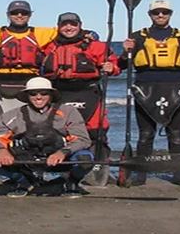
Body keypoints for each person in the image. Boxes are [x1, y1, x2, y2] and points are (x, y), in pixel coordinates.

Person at [119, 0, 180, 186]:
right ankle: (142, 174)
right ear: (150, 15)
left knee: (176, 133)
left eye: (165, 12)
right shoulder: (137, 36)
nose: (161, 15)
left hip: (176, 88)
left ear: (170, 14)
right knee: (146, 134)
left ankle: (178, 174)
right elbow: (123, 65)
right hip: (145, 88)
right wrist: (125, 52)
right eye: (156, 12)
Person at [40, 12, 120, 185]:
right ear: (59, 27)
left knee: (96, 131)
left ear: (80, 25)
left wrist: (111, 67)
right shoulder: (50, 47)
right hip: (60, 94)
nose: (69, 28)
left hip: (88, 92)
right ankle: (67, 170)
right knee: (62, 132)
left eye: (73, 24)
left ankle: (99, 169)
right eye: (64, 25)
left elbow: (115, 66)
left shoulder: (96, 46)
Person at [0, 76, 93, 197]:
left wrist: (63, 152)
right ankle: (23, 181)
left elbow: (82, 139)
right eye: (33, 93)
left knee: (85, 158)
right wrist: (1, 150)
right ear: (27, 96)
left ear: (51, 95)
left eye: (44, 93)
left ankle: (71, 182)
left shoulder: (69, 112)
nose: (38, 97)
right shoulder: (12, 115)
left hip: (60, 160)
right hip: (26, 160)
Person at [0, 0, 57, 123]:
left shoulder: (40, 34)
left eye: (24, 13)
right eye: (15, 13)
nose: (19, 15)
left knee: (26, 125)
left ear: (30, 15)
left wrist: (90, 34)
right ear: (8, 15)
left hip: (28, 85)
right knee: (0, 124)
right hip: (0, 85)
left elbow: (68, 31)